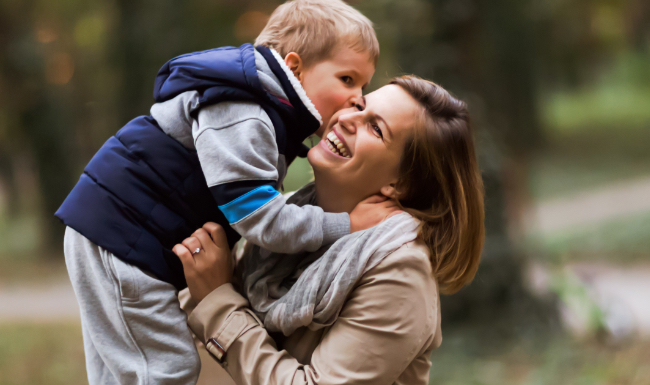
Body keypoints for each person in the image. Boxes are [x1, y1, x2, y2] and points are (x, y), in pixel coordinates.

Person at [55, 1, 396, 384]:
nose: (358, 98)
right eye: (347, 79)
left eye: (363, 85)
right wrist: (347, 224)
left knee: (122, 373)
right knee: (167, 370)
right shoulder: (245, 111)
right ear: (296, 67)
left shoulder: (260, 107)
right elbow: (259, 218)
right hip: (124, 237)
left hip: (115, 232)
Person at [175, 75, 486, 385]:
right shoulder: (282, 222)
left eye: (376, 128)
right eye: (358, 105)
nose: (348, 119)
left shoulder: (399, 271)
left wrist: (216, 302)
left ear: (400, 184)